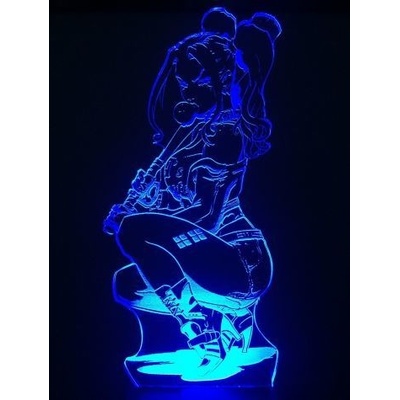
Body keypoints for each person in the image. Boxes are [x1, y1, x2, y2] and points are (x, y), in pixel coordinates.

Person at [103, 8, 281, 377]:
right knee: (127, 284)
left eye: (197, 86)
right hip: (206, 259)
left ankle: (202, 333)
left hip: (240, 260)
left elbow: (207, 217)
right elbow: (172, 217)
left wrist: (139, 223)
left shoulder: (228, 135)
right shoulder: (193, 134)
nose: (188, 96)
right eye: (184, 87)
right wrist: (144, 204)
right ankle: (232, 316)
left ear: (222, 82)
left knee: (135, 231)